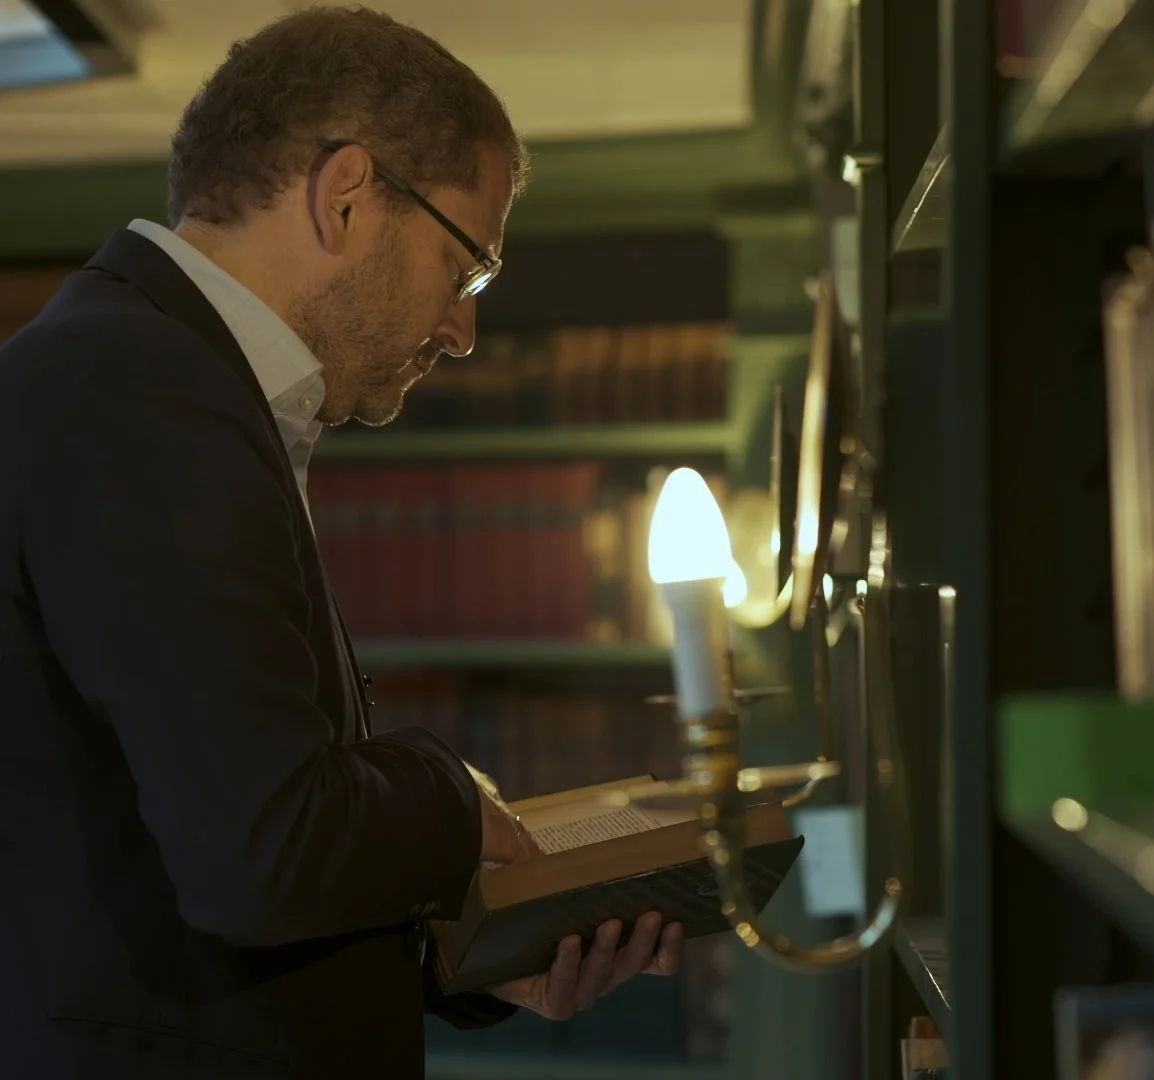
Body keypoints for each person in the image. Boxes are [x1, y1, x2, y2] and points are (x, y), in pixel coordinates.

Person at [0, 8, 681, 1076]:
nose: (462, 329)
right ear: (348, 193)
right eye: (467, 271)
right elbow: (259, 853)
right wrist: (457, 796)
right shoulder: (142, 389)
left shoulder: (157, 379)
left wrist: (465, 954)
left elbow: (161, 848)